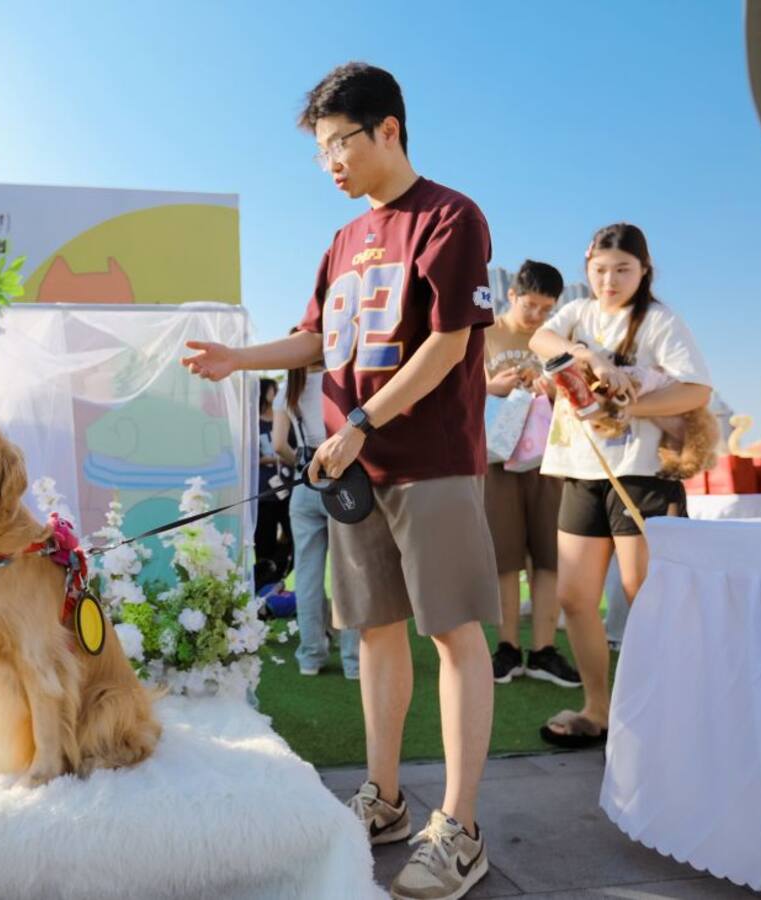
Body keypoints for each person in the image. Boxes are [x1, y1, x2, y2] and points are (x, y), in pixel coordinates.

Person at [183, 61, 498, 900]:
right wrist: (238, 360)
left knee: (453, 634)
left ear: (388, 129)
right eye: (320, 150)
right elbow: (321, 339)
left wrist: (359, 422)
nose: (329, 163)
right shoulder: (342, 241)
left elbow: (449, 344)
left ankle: (460, 828)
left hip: (430, 462)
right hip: (355, 469)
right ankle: (384, 799)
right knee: (375, 632)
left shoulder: (450, 216)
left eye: (338, 144)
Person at [530, 222, 711, 748]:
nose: (609, 281)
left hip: (643, 473)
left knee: (646, 595)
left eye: (623, 270)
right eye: (600, 270)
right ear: (587, 270)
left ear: (644, 270)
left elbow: (696, 390)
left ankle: (669, 713)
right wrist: (589, 356)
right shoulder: (577, 313)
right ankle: (599, 709)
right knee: (574, 597)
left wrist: (630, 406)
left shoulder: (660, 320)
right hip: (581, 470)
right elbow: (540, 339)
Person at [483, 260, 580, 688]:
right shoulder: (484, 333)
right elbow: (458, 388)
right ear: (511, 295)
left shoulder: (555, 337)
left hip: (550, 457)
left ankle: (543, 650)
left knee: (549, 554)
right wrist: (493, 387)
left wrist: (555, 388)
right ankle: (507, 647)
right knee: (504, 556)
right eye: (530, 305)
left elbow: (578, 388)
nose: (537, 315)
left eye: (546, 308)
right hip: (496, 456)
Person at [272, 347, 360, 679]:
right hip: (343, 483)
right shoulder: (339, 380)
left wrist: (303, 464)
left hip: (304, 485)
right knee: (348, 573)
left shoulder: (288, 387)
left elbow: (279, 445)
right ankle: (353, 661)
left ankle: (310, 656)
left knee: (307, 575)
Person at [254, 378, 291, 589]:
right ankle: (265, 588)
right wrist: (270, 459)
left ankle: (278, 574)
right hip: (263, 492)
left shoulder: (282, 419)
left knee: (294, 538)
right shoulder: (252, 423)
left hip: (286, 488)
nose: (276, 393)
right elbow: (248, 456)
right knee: (264, 542)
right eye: (272, 390)